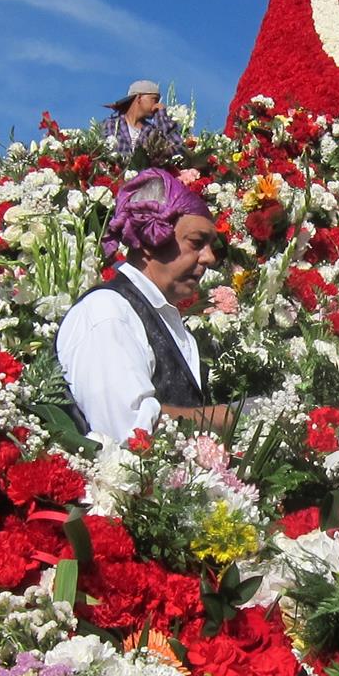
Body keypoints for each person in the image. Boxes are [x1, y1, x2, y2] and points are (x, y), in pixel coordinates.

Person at [57, 168, 231, 440]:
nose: (209, 258)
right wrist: (227, 418)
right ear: (151, 238)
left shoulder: (165, 321)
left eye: (210, 246)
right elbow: (129, 431)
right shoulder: (108, 312)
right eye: (196, 242)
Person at [100, 79, 185, 161]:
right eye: (154, 99)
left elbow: (179, 149)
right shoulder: (112, 125)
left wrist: (162, 117)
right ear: (139, 98)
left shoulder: (153, 132)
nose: (158, 105)